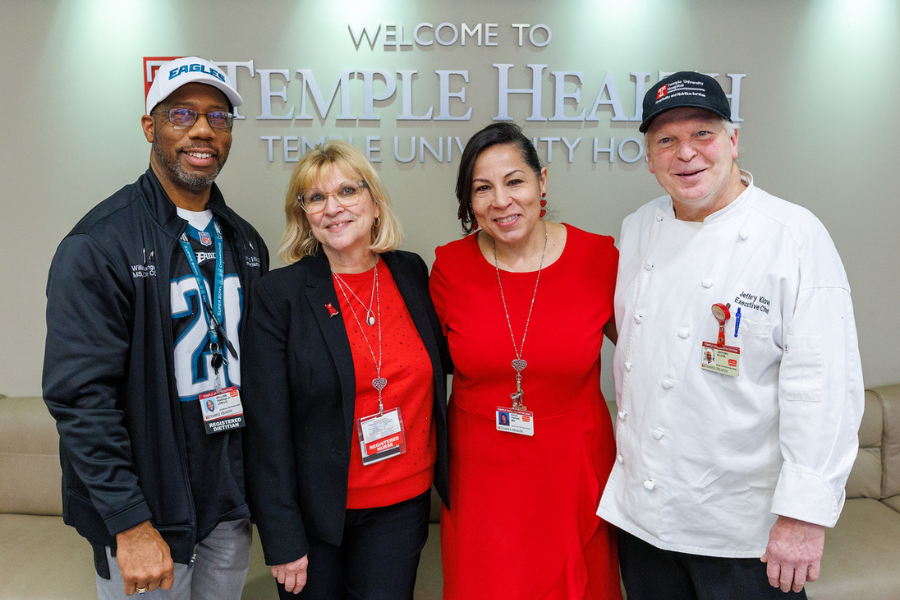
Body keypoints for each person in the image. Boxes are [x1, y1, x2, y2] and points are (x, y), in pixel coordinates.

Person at [597, 71, 864, 600]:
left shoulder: (793, 235)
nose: (686, 154)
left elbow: (825, 386)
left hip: (744, 533)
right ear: (649, 158)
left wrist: (803, 518)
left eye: (703, 134)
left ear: (733, 140)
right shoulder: (637, 228)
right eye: (666, 141)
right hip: (643, 520)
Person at [42, 56, 268, 599]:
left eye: (218, 118)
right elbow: (80, 399)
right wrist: (128, 522)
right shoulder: (98, 244)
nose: (201, 130)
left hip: (228, 507)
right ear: (150, 127)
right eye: (182, 114)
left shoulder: (245, 243)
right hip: (149, 518)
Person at [242, 140, 450, 599]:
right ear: (304, 216)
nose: (332, 208)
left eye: (347, 192)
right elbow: (266, 429)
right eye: (316, 198)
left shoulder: (411, 273)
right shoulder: (279, 296)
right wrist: (281, 537)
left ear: (374, 202)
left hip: (402, 505)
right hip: (316, 516)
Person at [430, 122, 622, 599]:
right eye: (482, 188)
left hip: (575, 468)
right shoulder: (449, 267)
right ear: (469, 202)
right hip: (481, 477)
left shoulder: (599, 258)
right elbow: (418, 371)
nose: (501, 200)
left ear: (542, 182)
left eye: (514, 181)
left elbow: (650, 358)